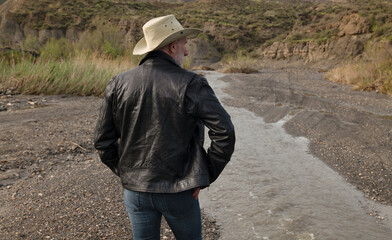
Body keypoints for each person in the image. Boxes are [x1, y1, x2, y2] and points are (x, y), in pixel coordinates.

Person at [94, 14, 235, 240]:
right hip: (179, 189)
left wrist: (127, 174)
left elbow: (103, 142)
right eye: (183, 45)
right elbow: (224, 132)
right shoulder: (192, 83)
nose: (186, 52)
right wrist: (206, 174)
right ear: (171, 47)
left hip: (136, 191)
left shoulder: (118, 83)